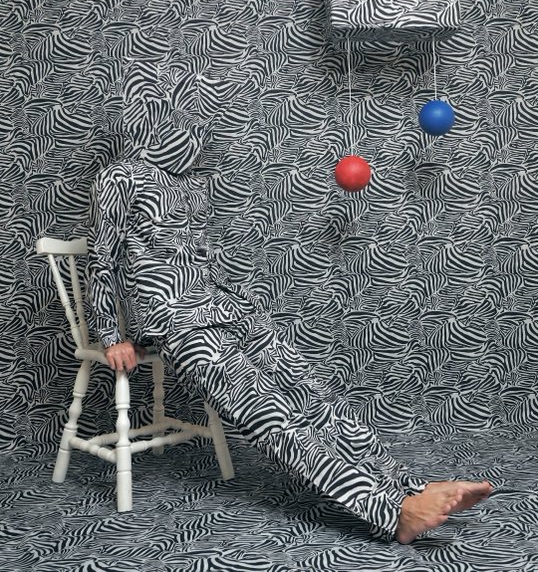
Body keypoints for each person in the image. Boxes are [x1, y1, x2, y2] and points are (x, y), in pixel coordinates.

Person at [86, 109, 492, 544]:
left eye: (198, 126)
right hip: (179, 322)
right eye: (180, 123)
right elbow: (101, 259)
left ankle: (408, 486)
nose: (194, 136)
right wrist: (112, 335)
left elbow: (192, 258)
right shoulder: (119, 177)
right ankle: (392, 512)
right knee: (273, 414)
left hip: (230, 307)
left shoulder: (192, 184)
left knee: (314, 398)